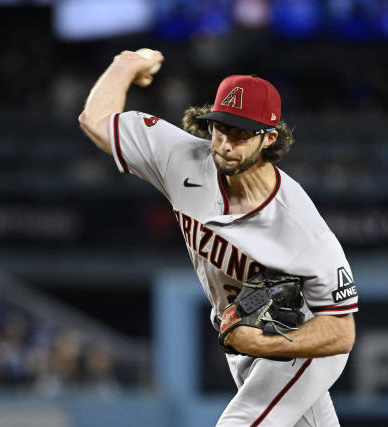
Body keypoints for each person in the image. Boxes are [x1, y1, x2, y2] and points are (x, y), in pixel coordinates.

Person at [78, 49, 358, 427]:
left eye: (241, 133)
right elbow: (96, 120)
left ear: (269, 138)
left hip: (301, 339)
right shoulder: (181, 159)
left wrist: (262, 344)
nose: (226, 143)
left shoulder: (301, 228)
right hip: (240, 336)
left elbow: (341, 331)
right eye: (220, 127)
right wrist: (124, 66)